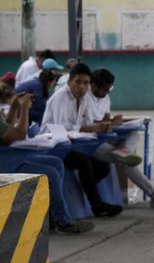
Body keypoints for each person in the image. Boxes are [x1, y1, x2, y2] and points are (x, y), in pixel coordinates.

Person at [0, 92, 94, 234]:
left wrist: (15, 107)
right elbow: (18, 134)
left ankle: (51, 216)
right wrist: (25, 108)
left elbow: (6, 130)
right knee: (50, 174)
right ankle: (64, 222)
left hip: (10, 157)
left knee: (56, 163)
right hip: (5, 162)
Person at [42, 63, 123, 217]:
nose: (82, 87)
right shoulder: (60, 97)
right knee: (83, 162)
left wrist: (101, 126)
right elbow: (63, 129)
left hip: (70, 144)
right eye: (78, 82)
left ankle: (85, 187)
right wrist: (92, 129)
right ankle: (97, 205)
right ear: (69, 81)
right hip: (53, 145)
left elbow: (83, 125)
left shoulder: (84, 99)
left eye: (86, 83)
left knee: (103, 166)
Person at [87, 68, 154, 209]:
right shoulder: (85, 98)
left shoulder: (104, 97)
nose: (107, 93)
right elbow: (89, 126)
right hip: (93, 143)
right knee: (126, 163)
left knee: (133, 134)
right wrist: (112, 123)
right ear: (94, 86)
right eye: (104, 90)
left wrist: (114, 121)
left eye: (109, 90)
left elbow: (105, 119)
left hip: (105, 136)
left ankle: (123, 152)